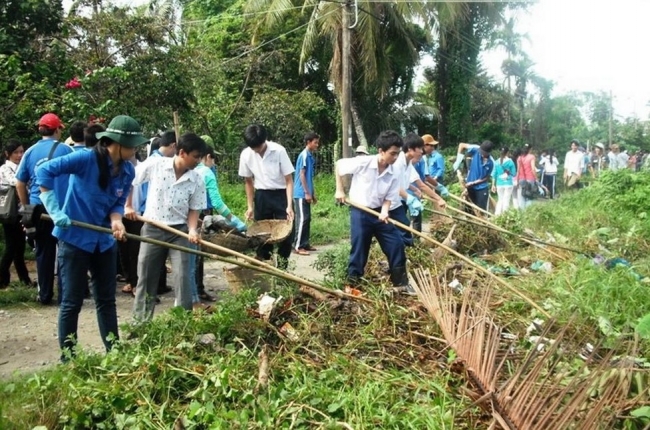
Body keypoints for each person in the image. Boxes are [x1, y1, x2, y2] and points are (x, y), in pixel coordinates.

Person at [36, 115, 147, 360]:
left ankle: (114, 352)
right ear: (117, 143)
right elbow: (43, 171)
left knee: (106, 300)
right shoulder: (85, 159)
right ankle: (69, 357)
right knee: (72, 302)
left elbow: (118, 200)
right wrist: (54, 209)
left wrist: (116, 220)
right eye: (133, 145)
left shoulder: (127, 169)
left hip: (104, 241)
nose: (136, 149)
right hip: (74, 238)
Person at [128, 133, 207, 322]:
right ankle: (140, 324)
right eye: (195, 156)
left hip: (179, 232)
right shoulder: (157, 165)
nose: (198, 161)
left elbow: (194, 209)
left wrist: (193, 230)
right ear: (182, 152)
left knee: (183, 278)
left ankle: (182, 326)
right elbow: (130, 179)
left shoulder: (196, 179)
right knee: (146, 278)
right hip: (153, 228)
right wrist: (128, 205)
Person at [334, 130, 413, 295]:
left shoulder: (394, 172)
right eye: (392, 154)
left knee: (396, 243)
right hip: (360, 211)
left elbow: (389, 198)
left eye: (398, 154)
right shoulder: (363, 162)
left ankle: (400, 283)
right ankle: (353, 285)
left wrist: (384, 212)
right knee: (360, 247)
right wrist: (339, 190)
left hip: (379, 213)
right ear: (381, 151)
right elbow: (339, 165)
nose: (395, 157)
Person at [15, 113, 73, 305]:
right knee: (64, 251)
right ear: (56, 129)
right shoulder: (66, 149)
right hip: (61, 208)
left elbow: (19, 182)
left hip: (38, 209)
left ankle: (45, 294)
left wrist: (26, 206)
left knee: (43, 252)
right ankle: (65, 295)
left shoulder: (30, 152)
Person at [193, 146, 245, 305]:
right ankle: (195, 294)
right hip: (200, 216)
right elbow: (217, 203)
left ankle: (196, 291)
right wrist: (234, 220)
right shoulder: (206, 172)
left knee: (192, 255)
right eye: (214, 160)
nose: (214, 164)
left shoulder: (192, 169)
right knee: (196, 255)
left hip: (189, 214)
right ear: (208, 156)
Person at [238, 124, 295, 269]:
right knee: (261, 234)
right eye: (253, 147)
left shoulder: (279, 151)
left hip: (281, 195)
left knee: (287, 233)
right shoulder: (246, 154)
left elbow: (289, 180)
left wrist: (289, 206)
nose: (256, 150)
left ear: (265, 140)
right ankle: (265, 267)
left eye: (259, 146)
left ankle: (282, 267)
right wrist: (250, 206)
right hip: (262, 195)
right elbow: (248, 181)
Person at [0, 140, 32, 287]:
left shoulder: (22, 167)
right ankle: (2, 278)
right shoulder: (5, 169)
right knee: (12, 246)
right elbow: (17, 182)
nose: (20, 155)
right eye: (16, 152)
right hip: (10, 212)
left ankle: (24, 280)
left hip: (20, 211)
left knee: (19, 247)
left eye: (21, 152)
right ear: (8, 154)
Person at [293, 132, 319, 255]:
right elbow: (302, 175)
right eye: (315, 142)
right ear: (308, 142)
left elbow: (309, 177)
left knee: (307, 219)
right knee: (302, 219)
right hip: (300, 193)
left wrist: (312, 193)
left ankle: (305, 244)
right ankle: (297, 246)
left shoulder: (310, 156)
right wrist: (306, 193)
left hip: (306, 193)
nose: (317, 145)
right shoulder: (303, 155)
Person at [453, 141, 495, 212]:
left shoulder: (491, 163)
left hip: (481, 188)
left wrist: (474, 182)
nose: (481, 154)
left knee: (481, 210)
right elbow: (461, 145)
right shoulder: (476, 149)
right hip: (470, 187)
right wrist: (458, 160)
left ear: (488, 153)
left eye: (483, 153)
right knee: (470, 209)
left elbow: (486, 178)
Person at [491, 147, 517, 215]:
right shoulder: (510, 162)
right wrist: (509, 172)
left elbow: (494, 174)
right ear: (508, 153)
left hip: (499, 184)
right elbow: (514, 174)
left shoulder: (496, 162)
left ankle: (497, 215)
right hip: (508, 183)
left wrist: (493, 185)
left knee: (500, 200)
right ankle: (505, 215)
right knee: (506, 200)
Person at [514, 144, 537, 209]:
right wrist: (536, 178)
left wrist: (517, 180)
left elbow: (518, 170)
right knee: (529, 196)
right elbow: (533, 169)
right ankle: (528, 212)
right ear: (530, 149)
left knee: (521, 196)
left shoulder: (519, 158)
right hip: (530, 179)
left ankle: (522, 213)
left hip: (521, 179)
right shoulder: (531, 157)